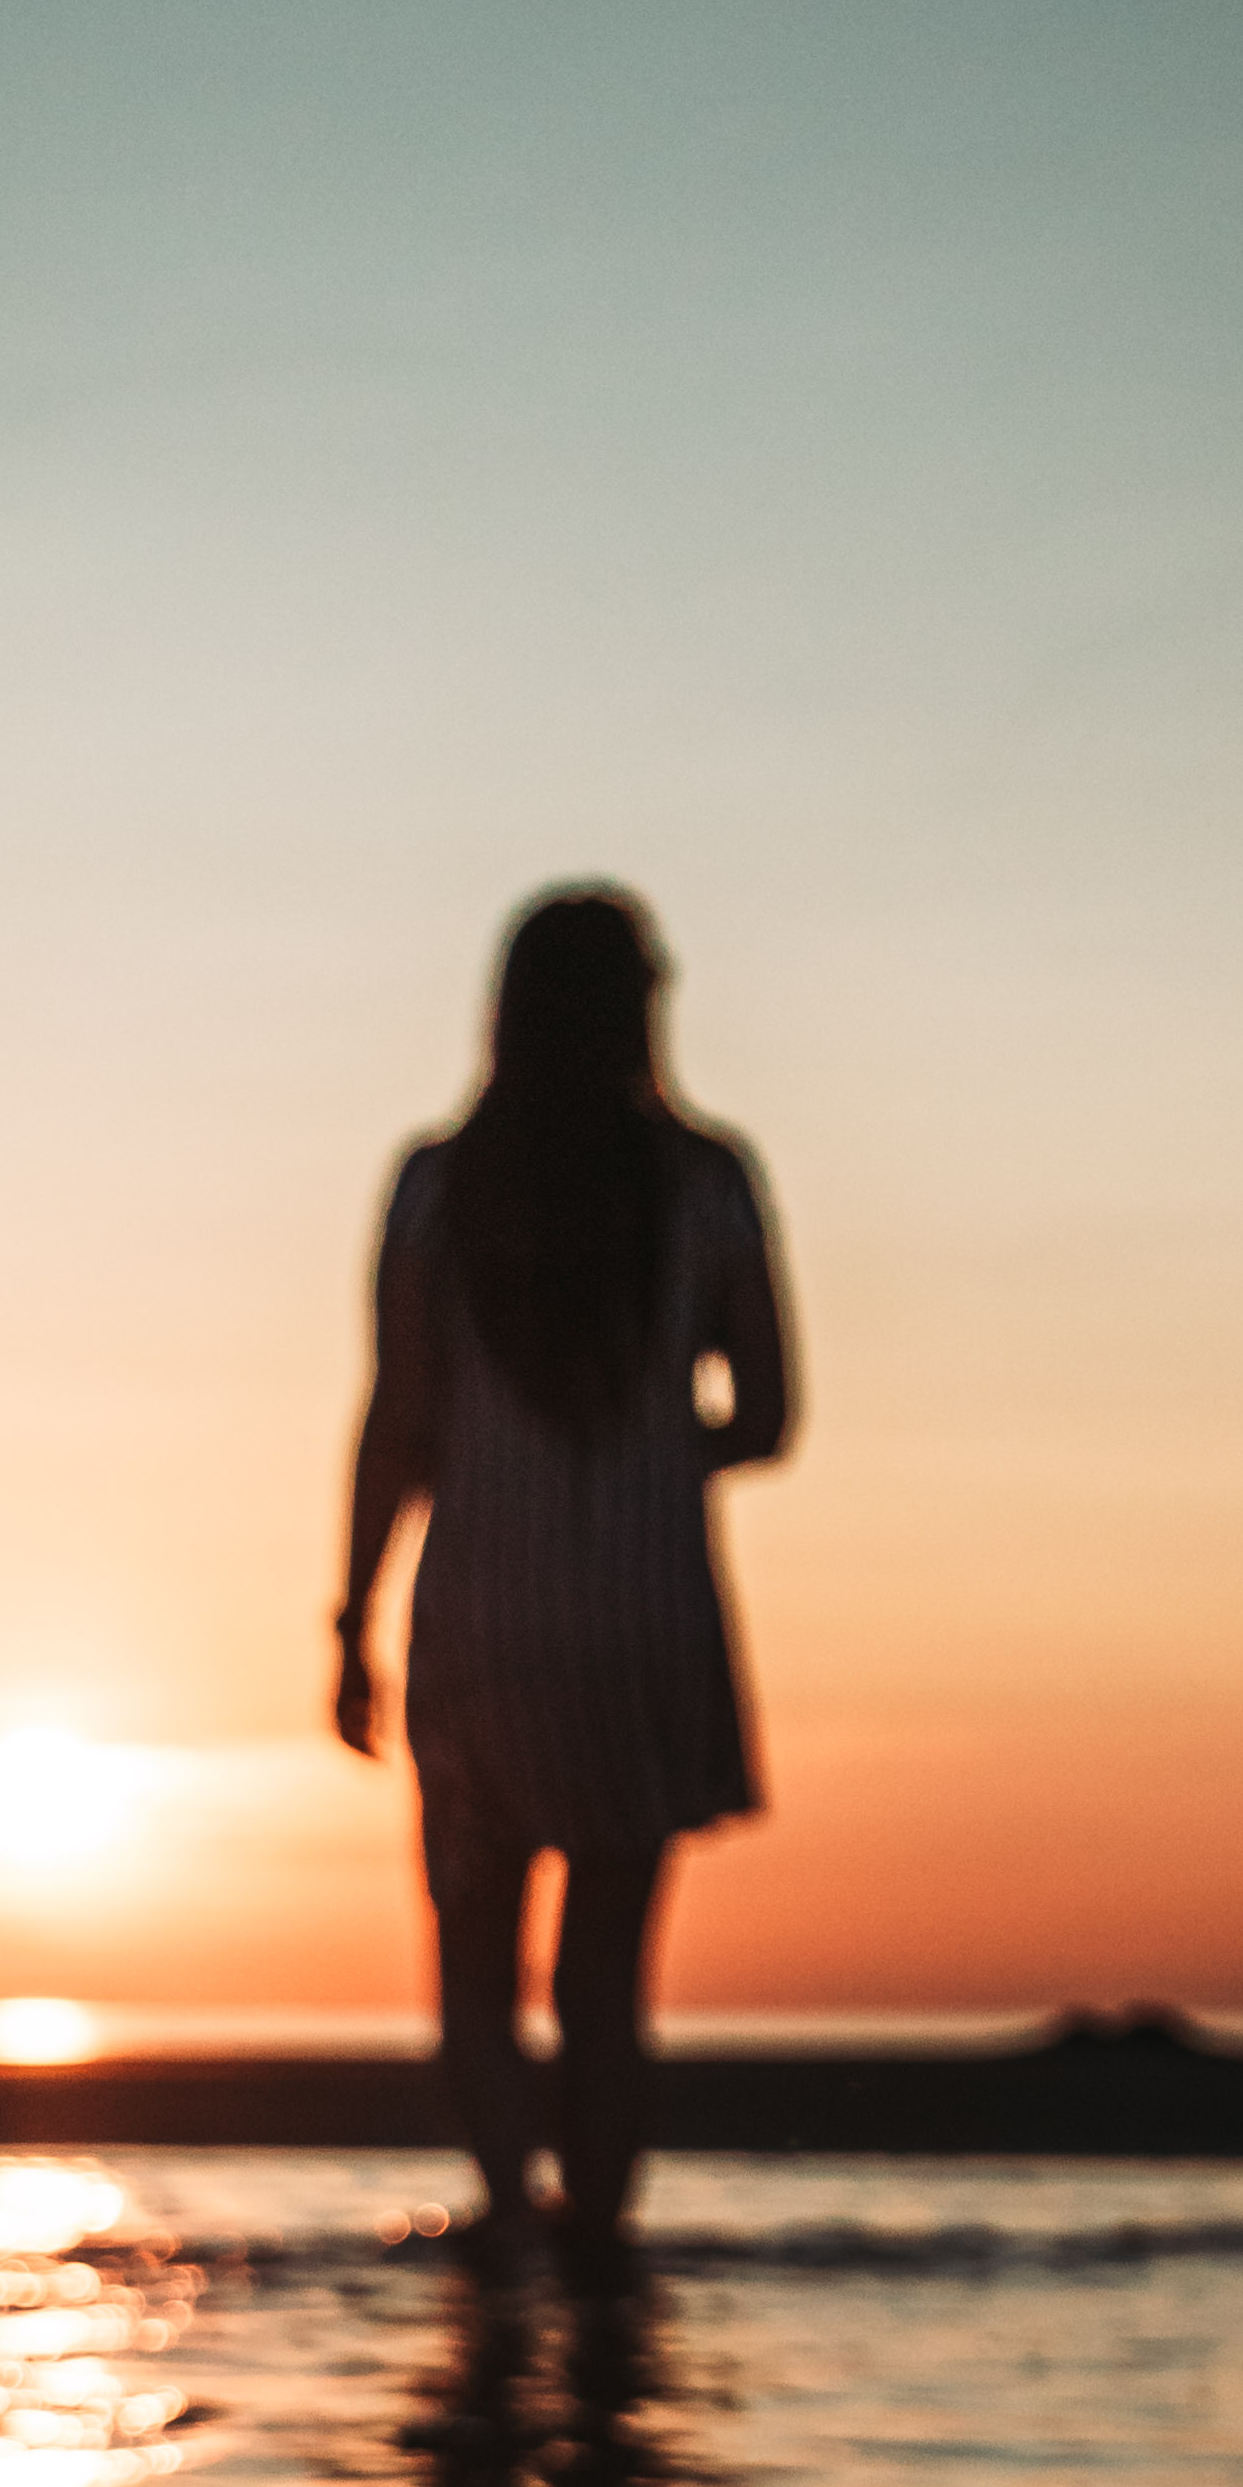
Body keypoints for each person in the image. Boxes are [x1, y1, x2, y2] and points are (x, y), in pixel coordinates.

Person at [331, 887, 796, 2272]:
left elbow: (398, 1423)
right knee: (607, 1974)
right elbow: (769, 1416)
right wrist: (652, 1457)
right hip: (646, 1611)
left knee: (477, 1958)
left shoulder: (438, 1185)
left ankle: (510, 2219)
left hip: (482, 1610)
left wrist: (352, 1616)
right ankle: (598, 2238)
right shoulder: (711, 1181)